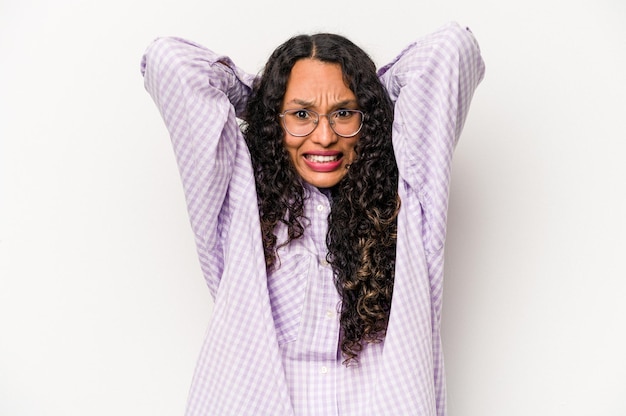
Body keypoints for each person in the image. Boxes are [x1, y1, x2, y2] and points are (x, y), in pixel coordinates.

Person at [141, 21, 485, 416]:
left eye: (343, 112)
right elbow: (169, 61)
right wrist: (263, 96)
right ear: (275, 121)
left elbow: (453, 49)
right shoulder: (238, 206)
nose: (324, 136)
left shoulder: (410, 201)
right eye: (301, 114)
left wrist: (374, 97)